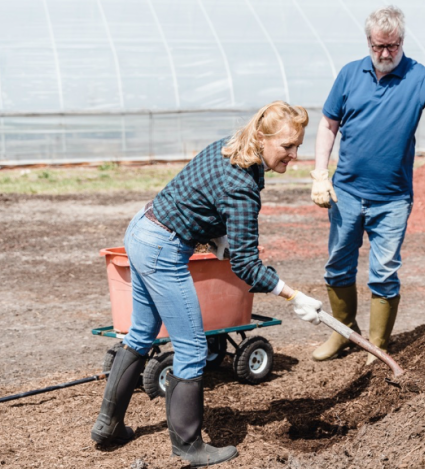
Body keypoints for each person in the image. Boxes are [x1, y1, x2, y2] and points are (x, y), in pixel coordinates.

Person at [90, 101, 323, 467]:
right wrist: (293, 295)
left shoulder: (230, 146)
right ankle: (187, 445)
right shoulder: (243, 186)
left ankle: (107, 426)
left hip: (142, 228)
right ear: (262, 138)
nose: (295, 155)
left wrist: (218, 238)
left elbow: (199, 197)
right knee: (192, 348)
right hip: (163, 248)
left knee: (140, 334)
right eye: (288, 146)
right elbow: (246, 265)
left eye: (298, 146)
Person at [310, 6, 425, 365]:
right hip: (346, 192)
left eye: (392, 46)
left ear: (402, 42)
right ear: (368, 41)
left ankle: (378, 343)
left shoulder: (418, 76)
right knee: (337, 265)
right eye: (378, 46)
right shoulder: (350, 75)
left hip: (392, 199)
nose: (384, 54)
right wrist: (321, 173)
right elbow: (328, 125)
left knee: (383, 272)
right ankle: (344, 330)